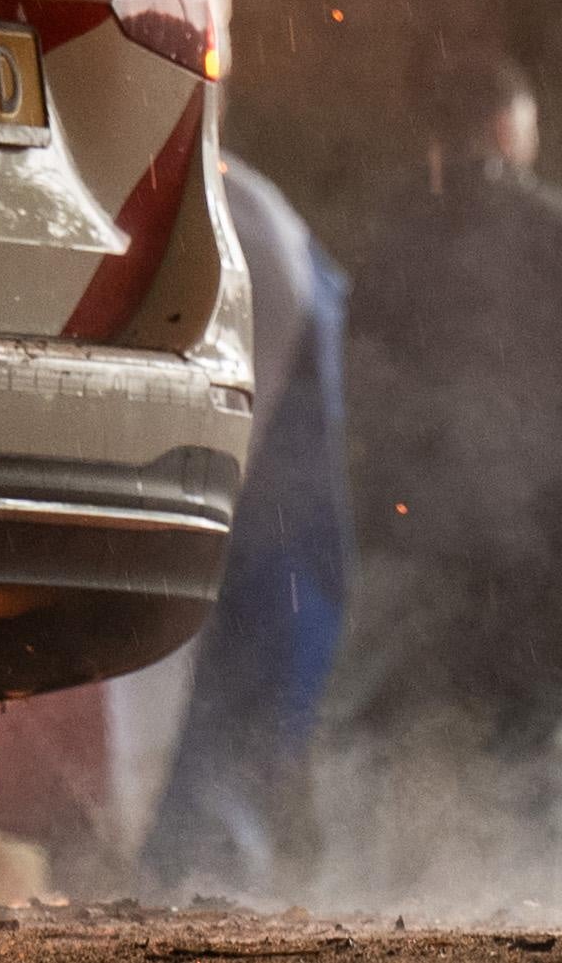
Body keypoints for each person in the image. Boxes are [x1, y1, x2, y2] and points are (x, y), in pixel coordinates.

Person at [315, 53, 562, 910]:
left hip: (408, 538)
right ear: (508, 128)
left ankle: (342, 912)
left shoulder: (390, 233)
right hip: (538, 544)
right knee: (529, 748)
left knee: (362, 732)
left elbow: (357, 383)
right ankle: (523, 918)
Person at [144, 155, 354, 901]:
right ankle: (198, 870)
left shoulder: (239, 222)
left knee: (253, 706)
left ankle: (216, 882)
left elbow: (248, 411)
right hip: (267, 505)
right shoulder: (226, 203)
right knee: (225, 707)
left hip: (289, 513)